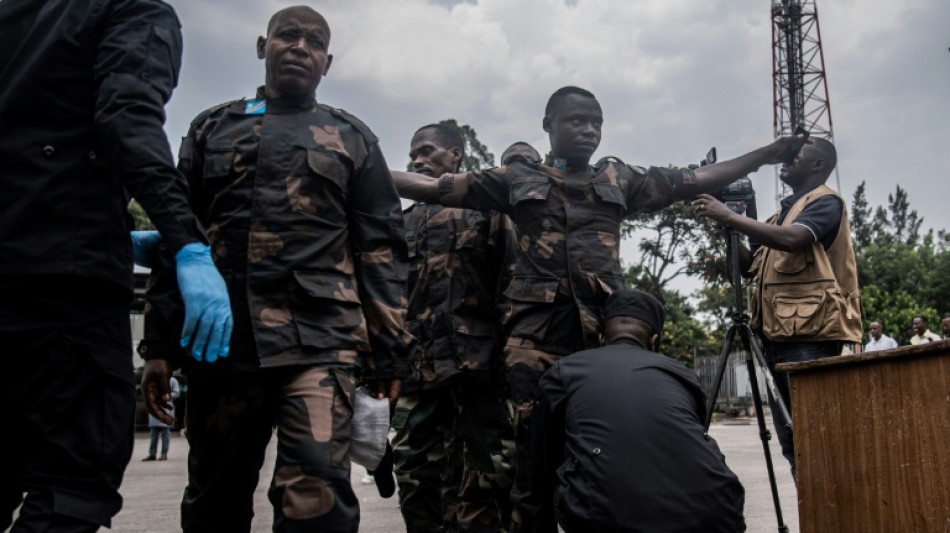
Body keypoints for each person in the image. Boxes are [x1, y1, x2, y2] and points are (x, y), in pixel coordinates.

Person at [393, 85, 805, 532]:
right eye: (576, 121)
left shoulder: (618, 178)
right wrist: (357, 167)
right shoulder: (515, 179)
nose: (589, 130)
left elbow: (694, 178)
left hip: (604, 341)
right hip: (533, 339)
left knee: (605, 441)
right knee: (528, 454)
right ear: (549, 126)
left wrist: (765, 155)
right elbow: (431, 187)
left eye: (596, 123)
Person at [139, 7, 411, 532]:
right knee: (215, 499)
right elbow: (178, 237)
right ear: (263, 47)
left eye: (314, 42)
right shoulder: (211, 128)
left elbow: (381, 250)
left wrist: (390, 353)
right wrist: (159, 346)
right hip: (221, 341)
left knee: (317, 495)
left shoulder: (352, 137)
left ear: (327, 62)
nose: (300, 47)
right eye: (288, 36)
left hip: (321, 340)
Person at [0, 1, 232, 530]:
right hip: (62, 292)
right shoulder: (130, 9)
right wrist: (186, 241)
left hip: (28, 252)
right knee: (72, 486)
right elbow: (126, 116)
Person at [694, 137, 862, 476]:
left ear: (818, 165)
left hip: (810, 338)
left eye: (796, 154)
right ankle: (809, 502)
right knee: (792, 441)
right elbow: (747, 267)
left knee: (813, 439)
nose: (786, 159)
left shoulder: (826, 202)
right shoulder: (779, 216)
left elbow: (794, 239)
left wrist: (731, 216)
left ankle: (826, 505)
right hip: (776, 337)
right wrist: (728, 226)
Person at [530, 289, 745, 533]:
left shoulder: (564, 371)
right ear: (654, 341)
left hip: (606, 517)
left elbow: (540, 467)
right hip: (718, 514)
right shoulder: (683, 375)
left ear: (601, 338)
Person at [392, 123, 517, 533]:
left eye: (427, 151)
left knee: (497, 471)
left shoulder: (488, 213)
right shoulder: (401, 223)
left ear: (456, 155)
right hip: (418, 370)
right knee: (414, 474)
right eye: (414, 154)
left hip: (477, 368)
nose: (417, 160)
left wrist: (510, 363)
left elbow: (509, 286)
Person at [143, 376, 181, 461]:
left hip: (166, 410)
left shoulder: (172, 380)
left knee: (165, 434)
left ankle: (164, 454)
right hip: (155, 409)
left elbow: (177, 393)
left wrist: (167, 396)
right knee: (153, 435)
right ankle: (152, 454)